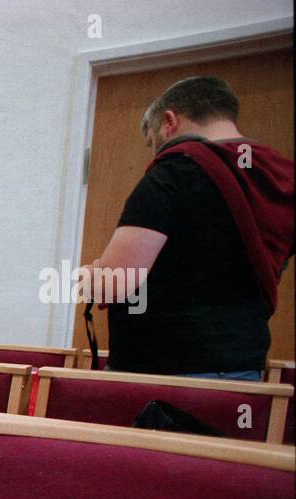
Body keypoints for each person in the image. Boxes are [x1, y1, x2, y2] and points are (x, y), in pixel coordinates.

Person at [84, 76, 295, 378]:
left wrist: (92, 276)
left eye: (152, 142)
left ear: (169, 121)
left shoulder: (176, 171)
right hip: (243, 368)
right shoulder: (280, 176)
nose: (154, 153)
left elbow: (115, 284)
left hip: (163, 372)